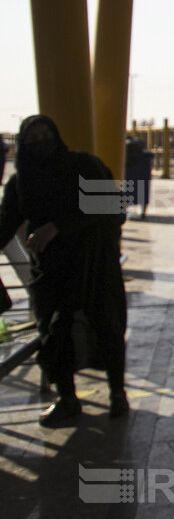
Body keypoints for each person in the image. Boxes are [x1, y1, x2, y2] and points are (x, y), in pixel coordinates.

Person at [0, 116, 129, 427]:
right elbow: (6, 224)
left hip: (93, 263)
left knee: (106, 325)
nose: (41, 141)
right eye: (33, 138)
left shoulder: (83, 165)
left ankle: (117, 393)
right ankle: (67, 398)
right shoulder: (22, 183)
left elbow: (113, 208)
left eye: (46, 134)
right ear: (22, 145)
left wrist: (56, 228)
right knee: (53, 332)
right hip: (52, 272)